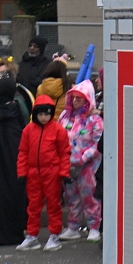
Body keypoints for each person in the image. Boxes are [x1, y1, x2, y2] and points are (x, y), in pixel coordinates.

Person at [0, 64, 31, 247]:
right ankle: (13, 231)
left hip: (3, 164)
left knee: (2, 196)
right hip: (14, 163)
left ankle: (4, 232)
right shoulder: (15, 111)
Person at [16, 93, 69, 252]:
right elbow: (23, 152)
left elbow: (64, 153)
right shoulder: (28, 130)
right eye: (40, 114)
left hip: (52, 172)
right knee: (33, 206)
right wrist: (22, 172)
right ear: (35, 114)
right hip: (33, 173)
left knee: (53, 204)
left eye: (47, 114)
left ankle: (54, 235)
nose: (44, 117)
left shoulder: (58, 130)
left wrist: (64, 172)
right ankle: (32, 235)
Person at [57, 80, 104, 242]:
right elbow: (58, 136)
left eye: (79, 98)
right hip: (68, 164)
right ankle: (73, 227)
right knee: (71, 197)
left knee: (90, 197)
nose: (76, 101)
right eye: (74, 98)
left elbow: (97, 142)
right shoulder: (65, 116)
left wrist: (83, 157)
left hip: (88, 166)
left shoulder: (95, 119)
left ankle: (94, 227)